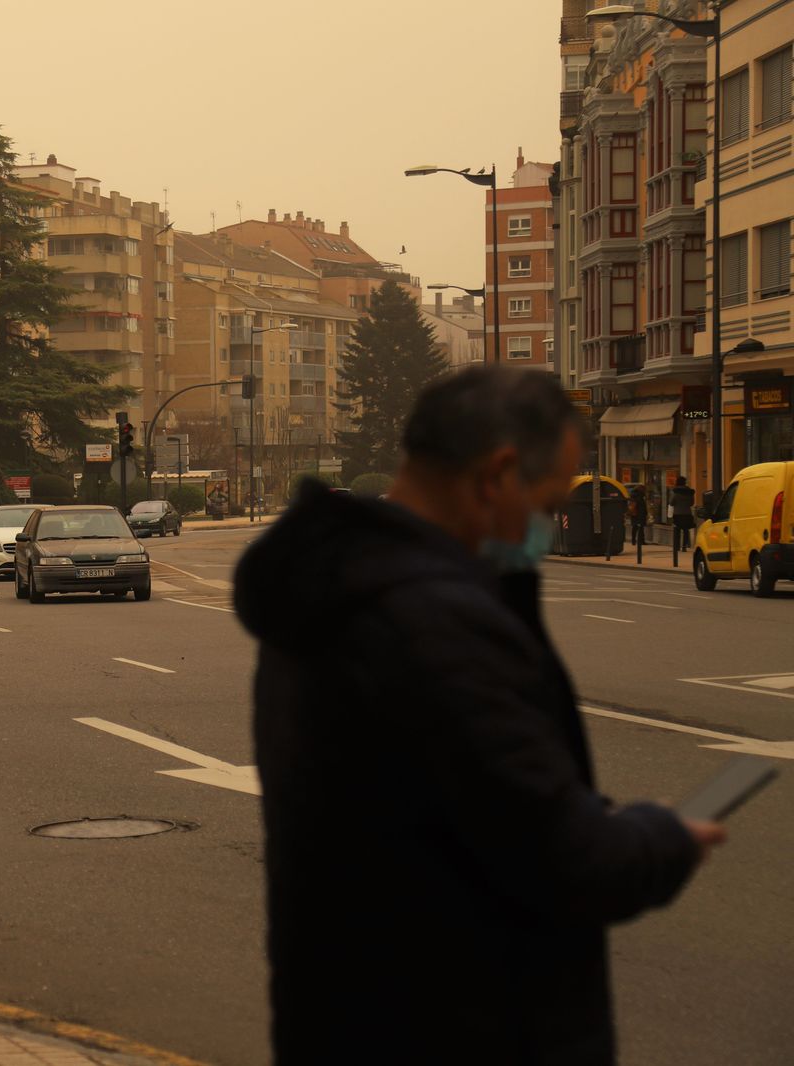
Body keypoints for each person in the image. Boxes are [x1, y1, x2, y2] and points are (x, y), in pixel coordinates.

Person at [235, 366, 718, 1066]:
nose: (546, 530)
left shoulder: (333, 591)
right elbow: (565, 859)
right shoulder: (437, 624)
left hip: (348, 1018)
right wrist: (663, 836)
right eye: (548, 505)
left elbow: (458, 808)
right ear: (496, 476)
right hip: (467, 1028)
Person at [670, 475, 697, 553]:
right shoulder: (689, 492)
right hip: (687, 513)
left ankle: (677, 546)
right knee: (686, 530)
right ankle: (684, 546)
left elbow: (671, 503)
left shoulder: (676, 492)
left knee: (677, 530)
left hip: (678, 514)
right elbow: (692, 503)